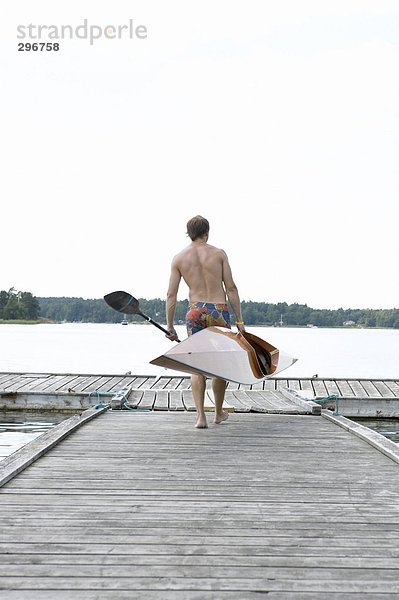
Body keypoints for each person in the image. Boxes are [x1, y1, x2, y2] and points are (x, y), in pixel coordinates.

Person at [165, 215, 245, 429]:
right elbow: (231, 288)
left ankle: (200, 417)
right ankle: (218, 413)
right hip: (218, 311)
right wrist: (239, 321)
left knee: (196, 367)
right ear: (207, 232)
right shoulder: (219, 254)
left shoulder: (179, 258)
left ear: (188, 234)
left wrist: (169, 325)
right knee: (220, 365)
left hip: (195, 312)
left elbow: (171, 295)